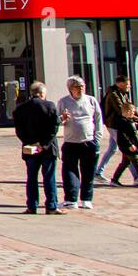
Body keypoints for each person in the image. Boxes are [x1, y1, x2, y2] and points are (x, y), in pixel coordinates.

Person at [13, 82, 65, 214]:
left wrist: (31, 143)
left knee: (31, 177)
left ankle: (32, 205)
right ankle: (51, 206)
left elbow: (19, 131)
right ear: (42, 93)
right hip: (47, 148)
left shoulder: (20, 109)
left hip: (30, 148)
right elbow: (54, 128)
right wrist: (44, 144)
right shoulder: (49, 106)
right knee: (49, 177)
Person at [57, 75, 104, 210]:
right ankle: (71, 199)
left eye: (82, 86)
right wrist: (62, 118)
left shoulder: (91, 100)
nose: (80, 89)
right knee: (70, 170)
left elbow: (98, 118)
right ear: (70, 89)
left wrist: (97, 137)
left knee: (88, 171)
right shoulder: (63, 102)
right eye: (77, 87)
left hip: (89, 141)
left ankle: (86, 199)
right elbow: (57, 120)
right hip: (71, 141)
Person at [96, 74, 138, 184]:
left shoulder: (123, 94)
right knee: (127, 150)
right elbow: (122, 110)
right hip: (114, 125)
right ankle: (137, 177)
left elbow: (131, 108)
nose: (129, 87)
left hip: (118, 125)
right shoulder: (113, 94)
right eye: (127, 84)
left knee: (113, 149)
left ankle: (98, 173)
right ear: (119, 84)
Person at [109, 101, 138, 187]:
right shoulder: (122, 121)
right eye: (133, 111)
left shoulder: (127, 120)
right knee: (137, 163)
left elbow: (134, 127)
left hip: (128, 146)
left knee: (125, 163)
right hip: (127, 147)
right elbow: (122, 136)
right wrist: (129, 145)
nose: (134, 113)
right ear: (128, 111)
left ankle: (114, 180)